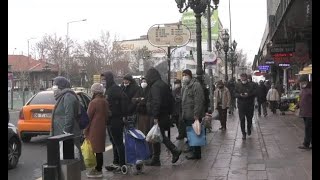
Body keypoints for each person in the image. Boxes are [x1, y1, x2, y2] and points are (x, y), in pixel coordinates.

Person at [144, 68, 181, 166]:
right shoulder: (163, 84)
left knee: (158, 136)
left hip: (158, 115)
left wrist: (155, 116)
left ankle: (174, 150)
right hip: (164, 114)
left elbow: (157, 101)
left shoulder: (155, 86)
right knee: (156, 136)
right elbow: (170, 100)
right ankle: (156, 159)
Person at [50, 76, 85, 170]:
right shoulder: (62, 97)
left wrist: (65, 133)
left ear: (61, 87)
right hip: (62, 135)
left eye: (55, 87)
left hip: (67, 136)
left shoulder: (68, 97)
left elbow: (69, 116)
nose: (54, 90)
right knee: (65, 162)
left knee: (70, 163)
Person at [101, 72, 128, 172]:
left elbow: (124, 99)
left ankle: (122, 164)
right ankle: (116, 162)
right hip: (110, 120)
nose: (102, 81)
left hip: (115, 119)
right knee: (114, 142)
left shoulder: (115, 89)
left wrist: (121, 114)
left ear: (108, 79)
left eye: (104, 79)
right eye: (101, 80)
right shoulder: (108, 89)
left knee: (119, 142)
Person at [85, 83, 109, 178]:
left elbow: (88, 118)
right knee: (99, 149)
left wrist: (85, 130)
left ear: (95, 91)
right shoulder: (105, 101)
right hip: (102, 128)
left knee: (94, 149)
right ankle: (99, 168)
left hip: (93, 128)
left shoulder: (94, 102)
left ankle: (97, 170)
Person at [181, 69, 205, 160]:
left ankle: (197, 153)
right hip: (187, 114)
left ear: (190, 75)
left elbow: (198, 101)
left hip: (193, 114)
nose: (184, 77)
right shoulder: (186, 86)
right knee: (191, 134)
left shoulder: (196, 85)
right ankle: (192, 150)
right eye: (183, 75)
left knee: (195, 133)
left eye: (185, 75)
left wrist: (196, 114)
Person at [132, 77, 153, 157]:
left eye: (145, 81)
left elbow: (147, 100)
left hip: (147, 114)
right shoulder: (139, 90)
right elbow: (133, 99)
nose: (143, 82)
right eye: (142, 81)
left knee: (147, 133)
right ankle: (143, 150)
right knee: (141, 132)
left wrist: (140, 101)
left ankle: (149, 151)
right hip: (140, 114)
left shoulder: (149, 90)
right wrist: (140, 99)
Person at [234, 73, 255, 140]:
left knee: (249, 119)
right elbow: (234, 93)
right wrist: (240, 95)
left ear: (246, 77)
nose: (243, 78)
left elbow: (255, 93)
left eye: (244, 77)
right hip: (241, 105)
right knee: (242, 120)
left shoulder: (251, 85)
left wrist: (248, 95)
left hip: (249, 105)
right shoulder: (237, 85)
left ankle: (249, 129)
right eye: (241, 77)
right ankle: (243, 133)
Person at [296, 75, 312, 149]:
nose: (301, 83)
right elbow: (301, 99)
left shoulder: (310, 89)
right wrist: (297, 105)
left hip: (310, 113)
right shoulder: (303, 89)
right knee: (309, 128)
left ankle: (306, 144)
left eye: (302, 82)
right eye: (301, 82)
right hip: (304, 112)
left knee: (307, 128)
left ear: (306, 81)